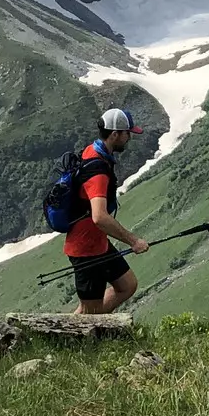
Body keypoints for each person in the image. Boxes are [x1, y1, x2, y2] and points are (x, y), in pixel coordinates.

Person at [64, 107, 151, 314]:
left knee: (127, 285)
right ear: (115, 134)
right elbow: (99, 217)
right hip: (86, 248)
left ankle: (92, 328)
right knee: (89, 312)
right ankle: (70, 337)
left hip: (98, 243)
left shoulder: (93, 151)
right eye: (127, 133)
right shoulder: (98, 172)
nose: (129, 137)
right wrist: (133, 241)